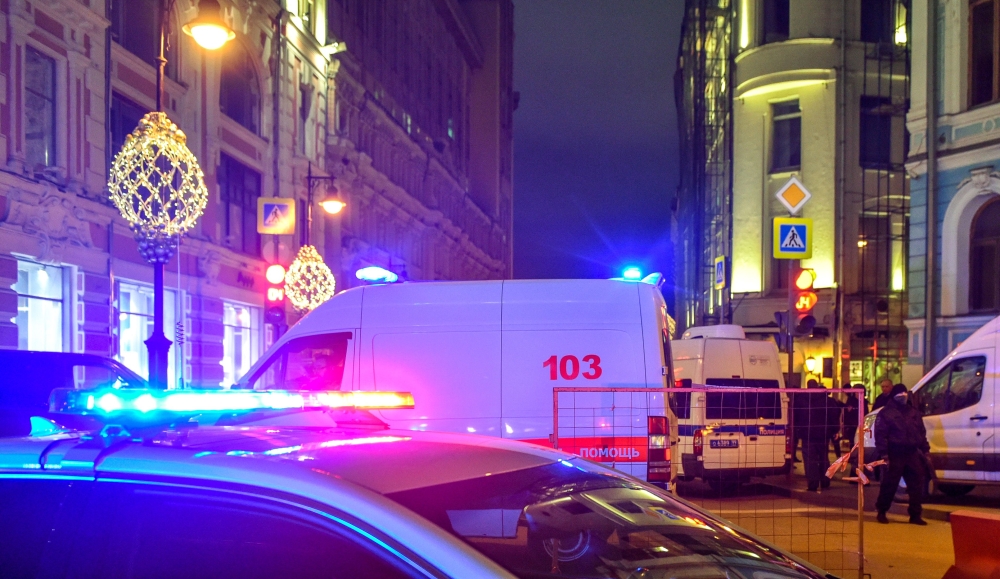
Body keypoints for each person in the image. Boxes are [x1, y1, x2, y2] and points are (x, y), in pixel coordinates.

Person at [874, 383, 930, 525]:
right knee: (889, 484)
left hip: (912, 452)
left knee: (916, 485)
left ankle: (915, 515)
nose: (903, 396)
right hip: (894, 453)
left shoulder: (913, 412)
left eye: (905, 393)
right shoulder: (886, 413)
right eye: (900, 394)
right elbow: (880, 435)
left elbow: (921, 433)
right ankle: (882, 511)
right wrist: (884, 454)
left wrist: (925, 450)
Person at [794, 379, 842, 492]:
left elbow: (796, 417)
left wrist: (798, 431)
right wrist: (834, 430)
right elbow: (834, 416)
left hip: (807, 434)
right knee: (824, 457)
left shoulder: (802, 400)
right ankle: (825, 481)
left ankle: (813, 484)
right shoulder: (828, 401)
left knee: (810, 460)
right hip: (824, 434)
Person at [841, 385, 869, 450]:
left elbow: (865, 413)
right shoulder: (851, 400)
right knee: (852, 441)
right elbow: (847, 413)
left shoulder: (864, 401)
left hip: (861, 424)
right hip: (852, 424)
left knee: (860, 441)